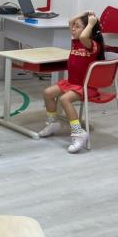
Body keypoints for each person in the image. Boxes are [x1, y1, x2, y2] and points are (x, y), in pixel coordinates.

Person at [38, 11, 105, 153]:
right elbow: (70, 21)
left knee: (64, 99)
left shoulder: (92, 45)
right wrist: (84, 13)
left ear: (88, 30)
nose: (73, 29)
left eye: (78, 26)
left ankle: (78, 132)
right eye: (74, 26)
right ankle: (53, 123)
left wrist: (91, 23)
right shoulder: (76, 41)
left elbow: (84, 36)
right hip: (71, 83)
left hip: (85, 86)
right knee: (48, 93)